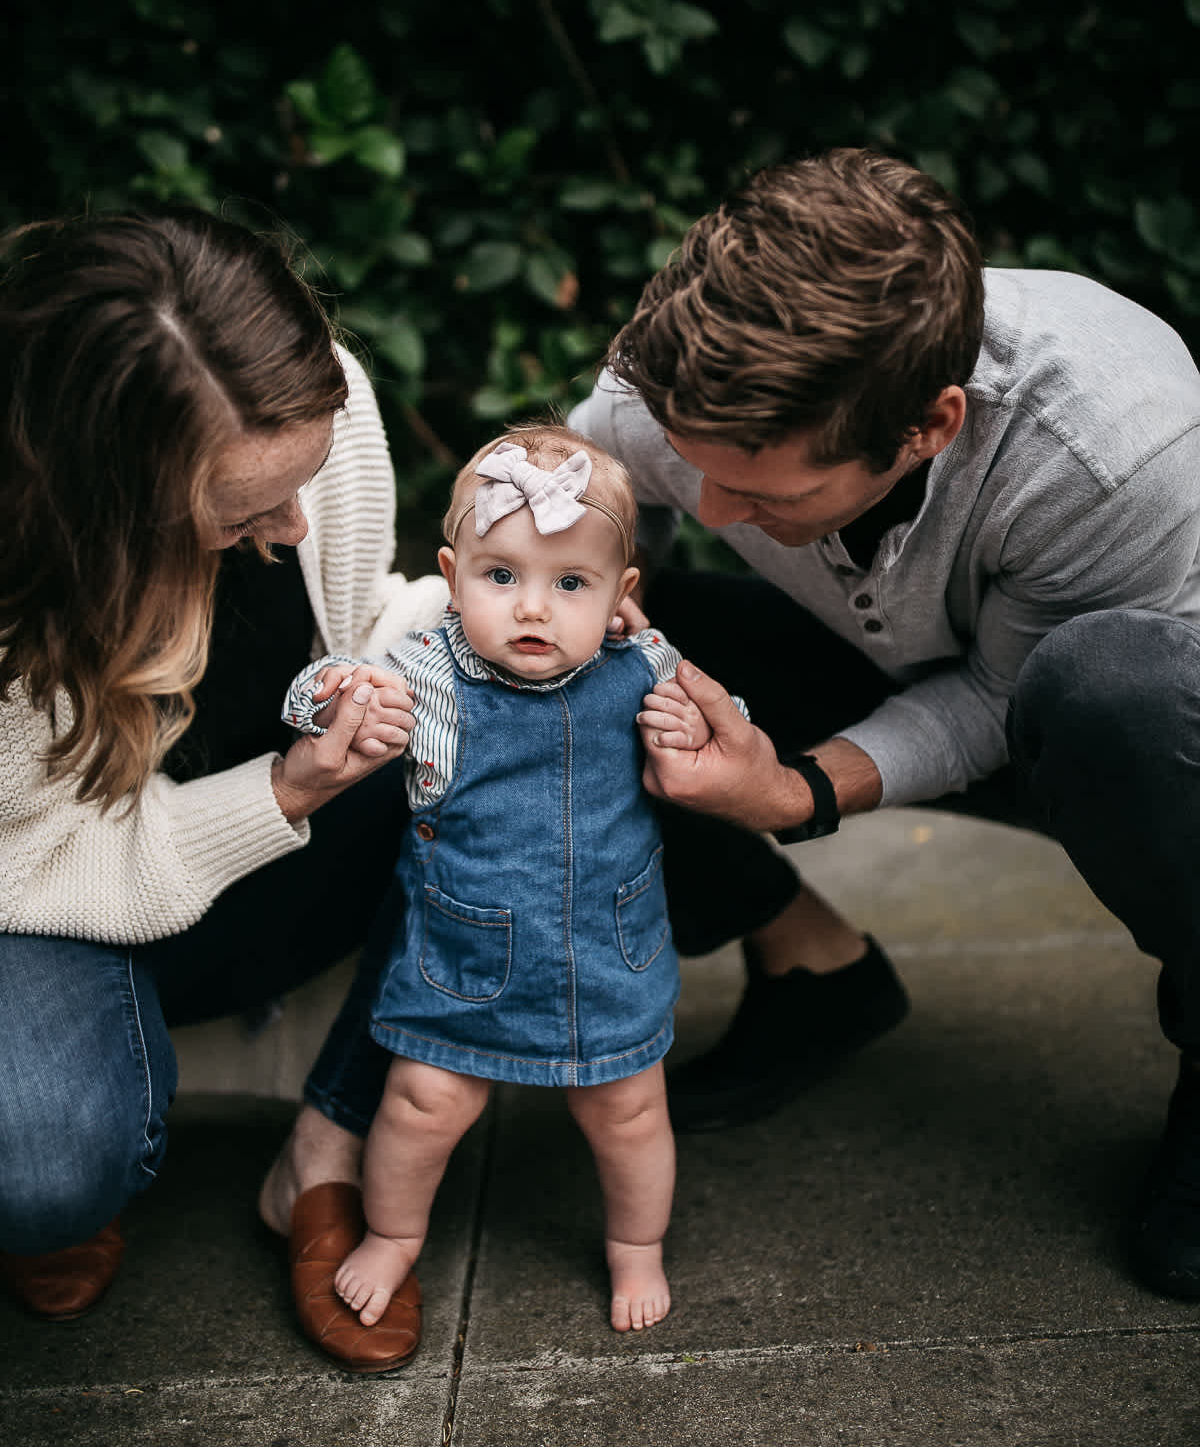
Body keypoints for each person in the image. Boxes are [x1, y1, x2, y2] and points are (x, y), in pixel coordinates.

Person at [569, 146, 1200, 1302]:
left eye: (764, 494)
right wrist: (597, 616)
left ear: (928, 425)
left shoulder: (1113, 448)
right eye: (695, 470)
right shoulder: (674, 376)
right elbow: (581, 499)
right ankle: (814, 969)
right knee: (550, 655)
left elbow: (1009, 702)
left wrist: (796, 790)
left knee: (1108, 685)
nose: (711, 509)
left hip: (1134, 728)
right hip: (881, 653)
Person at [0, 207, 448, 1374]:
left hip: (268, 848)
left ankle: (329, 1145)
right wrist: (281, 797)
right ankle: (88, 1134)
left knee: (547, 699)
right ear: (103, 506)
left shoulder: (310, 405)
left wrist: (492, 617)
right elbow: (23, 859)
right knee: (40, 1168)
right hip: (43, 894)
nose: (292, 523)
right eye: (243, 512)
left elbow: (357, 622)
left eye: (299, 482)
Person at [281, 425, 720, 1334]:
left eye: (570, 585)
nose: (532, 609)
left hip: (608, 952)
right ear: (453, 575)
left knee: (630, 1110)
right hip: (465, 952)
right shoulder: (429, 675)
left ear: (620, 593)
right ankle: (395, 1235)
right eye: (501, 576)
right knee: (419, 1102)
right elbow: (317, 688)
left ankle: (635, 1248)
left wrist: (695, 732)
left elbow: (726, 722)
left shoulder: (646, 666)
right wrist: (336, 699)